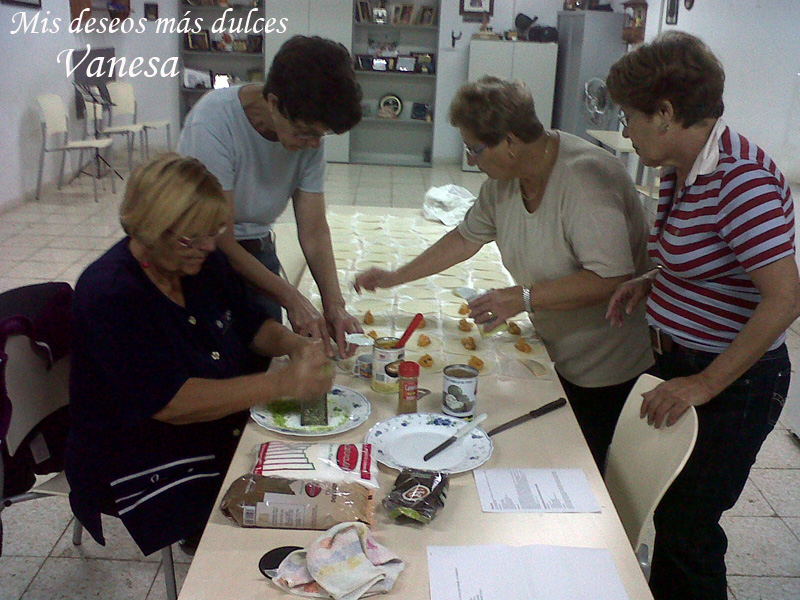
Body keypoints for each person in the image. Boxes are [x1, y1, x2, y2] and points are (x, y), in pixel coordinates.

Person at [354, 76, 654, 472]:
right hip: (553, 348)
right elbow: (464, 238)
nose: (471, 160)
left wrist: (521, 297)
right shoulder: (505, 181)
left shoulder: (585, 179)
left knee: (579, 468)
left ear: (510, 141)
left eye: (475, 149)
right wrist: (396, 276)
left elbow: (611, 279)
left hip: (602, 369)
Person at [605, 32, 800, 600]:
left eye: (629, 116)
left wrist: (705, 384)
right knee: (669, 512)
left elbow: (785, 299)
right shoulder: (683, 164)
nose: (624, 130)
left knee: (689, 531)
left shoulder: (741, 181)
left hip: (732, 382)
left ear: (665, 114)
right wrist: (651, 283)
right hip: (686, 363)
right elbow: (708, 259)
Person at [65, 154, 333, 556]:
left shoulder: (200, 263)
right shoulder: (110, 294)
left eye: (215, 232)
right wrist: (281, 383)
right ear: (152, 229)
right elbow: (170, 403)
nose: (209, 246)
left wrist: (293, 345)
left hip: (212, 423)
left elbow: (250, 325)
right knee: (274, 517)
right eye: (193, 237)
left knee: (318, 475)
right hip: (137, 449)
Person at [178, 35, 363, 357]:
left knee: (269, 356)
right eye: (306, 132)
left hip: (257, 251)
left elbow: (314, 229)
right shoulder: (214, 123)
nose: (313, 144)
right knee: (219, 356)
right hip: (202, 257)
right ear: (274, 103)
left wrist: (334, 305)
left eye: (321, 135)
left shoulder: (308, 134)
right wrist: (292, 298)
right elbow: (221, 239)